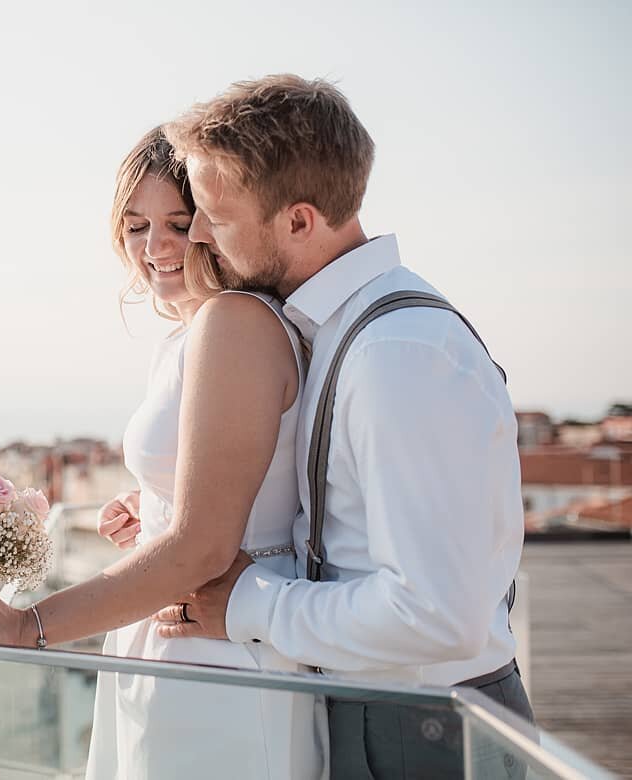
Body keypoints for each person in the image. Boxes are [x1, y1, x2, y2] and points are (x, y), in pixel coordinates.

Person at [0, 126, 324, 779]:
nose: (154, 247)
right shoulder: (186, 336)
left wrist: (27, 626)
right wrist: (153, 504)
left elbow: (203, 547)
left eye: (178, 222)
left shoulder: (235, 322)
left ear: (216, 224)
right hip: (167, 642)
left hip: (221, 655)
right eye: (135, 226)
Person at [154, 74, 534, 779]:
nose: (197, 233)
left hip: (425, 731)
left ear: (299, 221)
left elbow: (434, 615)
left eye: (215, 213)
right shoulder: (340, 329)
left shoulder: (397, 355)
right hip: (384, 711)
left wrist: (248, 600)